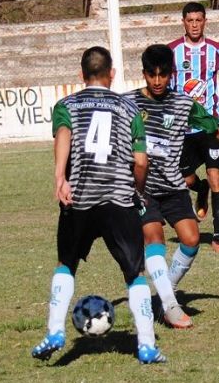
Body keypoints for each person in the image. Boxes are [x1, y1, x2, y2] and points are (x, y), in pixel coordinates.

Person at [31, 46, 166, 364]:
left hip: (79, 198)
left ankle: (55, 332)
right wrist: (139, 190)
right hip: (119, 198)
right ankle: (146, 344)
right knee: (134, 274)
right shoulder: (129, 108)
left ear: (82, 74)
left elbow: (63, 133)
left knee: (66, 265)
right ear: (112, 74)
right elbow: (141, 160)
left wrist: (59, 177)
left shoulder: (65, 105)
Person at [124, 44, 219, 329]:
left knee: (192, 240)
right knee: (154, 239)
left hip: (173, 185)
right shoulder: (128, 103)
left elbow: (212, 127)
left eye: (163, 75)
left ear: (172, 73)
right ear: (143, 74)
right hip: (142, 188)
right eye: (152, 75)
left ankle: (163, 295)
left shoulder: (183, 104)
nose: (157, 81)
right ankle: (170, 304)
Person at [169, 1, 219, 252]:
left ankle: (218, 234)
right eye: (190, 20)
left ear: (205, 21)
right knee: (185, 179)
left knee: (215, 175)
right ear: (184, 22)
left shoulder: (218, 50)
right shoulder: (172, 52)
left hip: (211, 125)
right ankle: (199, 189)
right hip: (183, 128)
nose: (195, 25)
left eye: (199, 20)